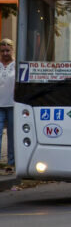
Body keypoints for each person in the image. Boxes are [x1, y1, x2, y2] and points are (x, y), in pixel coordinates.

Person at [0, 39, 15, 173]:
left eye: (7, 50)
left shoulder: (16, 65)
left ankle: (11, 163)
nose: (5, 53)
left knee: (12, 134)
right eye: (2, 51)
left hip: (13, 105)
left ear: (12, 50)